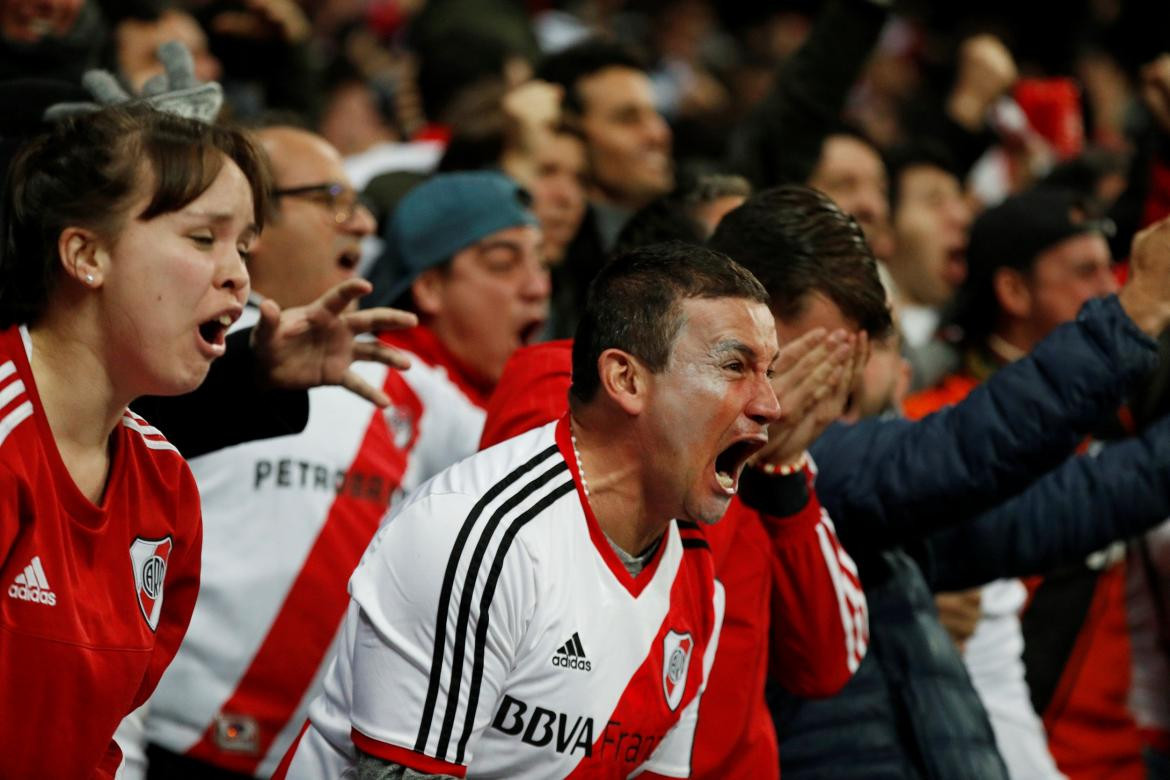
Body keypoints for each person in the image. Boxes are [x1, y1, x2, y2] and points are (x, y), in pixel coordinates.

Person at [708, 186, 1170, 779]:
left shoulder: (859, 489)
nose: (846, 373)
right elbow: (963, 448)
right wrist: (1132, 318)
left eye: (872, 342)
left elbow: (1066, 504)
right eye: (826, 349)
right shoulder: (811, 469)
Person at [275, 242, 783, 778]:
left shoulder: (699, 580)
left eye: (769, 371)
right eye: (735, 366)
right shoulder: (478, 535)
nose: (770, 404)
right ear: (626, 380)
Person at [136, 126, 481, 780]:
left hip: (313, 758)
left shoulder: (404, 379)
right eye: (331, 196)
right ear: (252, 222)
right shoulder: (165, 353)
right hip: (148, 736)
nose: (362, 220)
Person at [0, 103, 268, 778]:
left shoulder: (165, 483)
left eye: (245, 245)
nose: (238, 275)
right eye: (204, 238)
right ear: (86, 254)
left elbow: (101, 743)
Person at [904, 188, 1135, 780]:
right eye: (1084, 273)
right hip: (1005, 752)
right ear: (1012, 291)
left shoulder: (1125, 410)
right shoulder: (928, 428)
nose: (1110, 290)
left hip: (1128, 753)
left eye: (1109, 268)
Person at [372, 170, 550, 423]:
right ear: (430, 288)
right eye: (502, 263)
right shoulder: (381, 389)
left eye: (542, 262)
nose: (539, 287)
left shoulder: (515, 396)